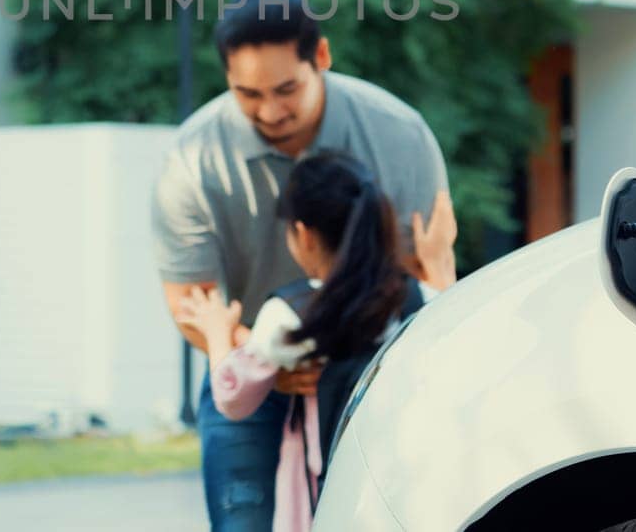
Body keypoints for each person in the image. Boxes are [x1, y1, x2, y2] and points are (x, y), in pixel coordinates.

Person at [152, 0, 457, 531]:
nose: (270, 113)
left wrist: (341, 355)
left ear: (321, 56)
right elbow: (192, 303)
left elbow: (424, 274)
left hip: (371, 368)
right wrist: (270, 362)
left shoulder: (399, 134)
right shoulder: (192, 158)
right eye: (248, 94)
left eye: (286, 89)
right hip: (251, 356)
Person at [175, 152, 444, 532]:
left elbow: (232, 397)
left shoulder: (292, 316)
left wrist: (218, 331)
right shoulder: (422, 302)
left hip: (325, 490)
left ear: (302, 233)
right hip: (401, 483)